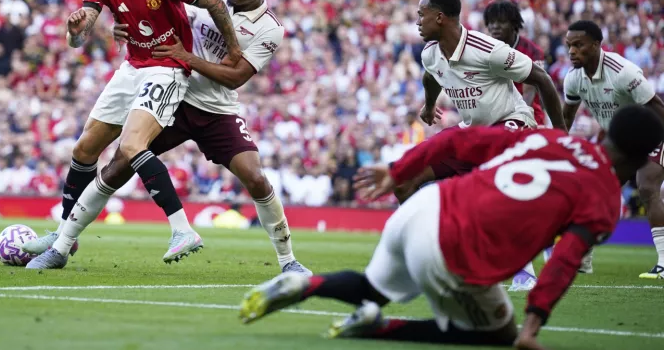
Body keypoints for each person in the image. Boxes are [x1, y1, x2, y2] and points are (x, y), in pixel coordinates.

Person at [238, 106, 664, 349]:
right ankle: (379, 328)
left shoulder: (553, 139)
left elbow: (458, 140)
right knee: (500, 335)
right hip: (457, 248)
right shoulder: (604, 199)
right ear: (645, 158)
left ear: (604, 132)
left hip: (427, 205)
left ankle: (303, 286)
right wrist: (531, 330)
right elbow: (564, 262)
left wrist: (397, 171)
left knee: (374, 288)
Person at [25, 0, 309, 275]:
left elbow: (236, 77)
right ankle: (61, 245)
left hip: (218, 111)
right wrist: (124, 28)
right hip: (176, 97)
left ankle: (289, 261)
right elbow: (152, 23)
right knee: (118, 166)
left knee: (256, 178)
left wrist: (187, 57)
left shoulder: (270, 29)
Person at [25, 0, 242, 269]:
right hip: (131, 69)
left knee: (131, 146)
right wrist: (75, 34)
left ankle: (182, 230)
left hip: (167, 68)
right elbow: (83, 29)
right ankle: (65, 231)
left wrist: (233, 51)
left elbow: (215, 4)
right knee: (84, 148)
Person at [412, 0, 567, 291]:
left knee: (493, 180)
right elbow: (430, 77)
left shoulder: (488, 49)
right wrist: (429, 106)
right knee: (413, 173)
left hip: (513, 122)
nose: (417, 21)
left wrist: (561, 135)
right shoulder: (430, 53)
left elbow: (542, 78)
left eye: (421, 14)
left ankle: (523, 269)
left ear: (440, 17)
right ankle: (427, 259)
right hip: (476, 131)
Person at [562, 20, 664, 279]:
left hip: (650, 132)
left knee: (647, 185)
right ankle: (582, 259)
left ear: (596, 45)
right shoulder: (573, 79)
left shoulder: (623, 72)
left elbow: (657, 108)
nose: (572, 51)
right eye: (569, 46)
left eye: (578, 45)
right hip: (619, 142)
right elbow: (566, 118)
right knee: (592, 192)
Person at [484, 0, 547, 128]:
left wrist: (517, 121)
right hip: (495, 116)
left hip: (528, 117)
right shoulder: (484, 50)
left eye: (501, 22)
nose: (495, 26)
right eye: (491, 22)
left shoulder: (532, 51)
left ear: (513, 24)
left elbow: (529, 93)